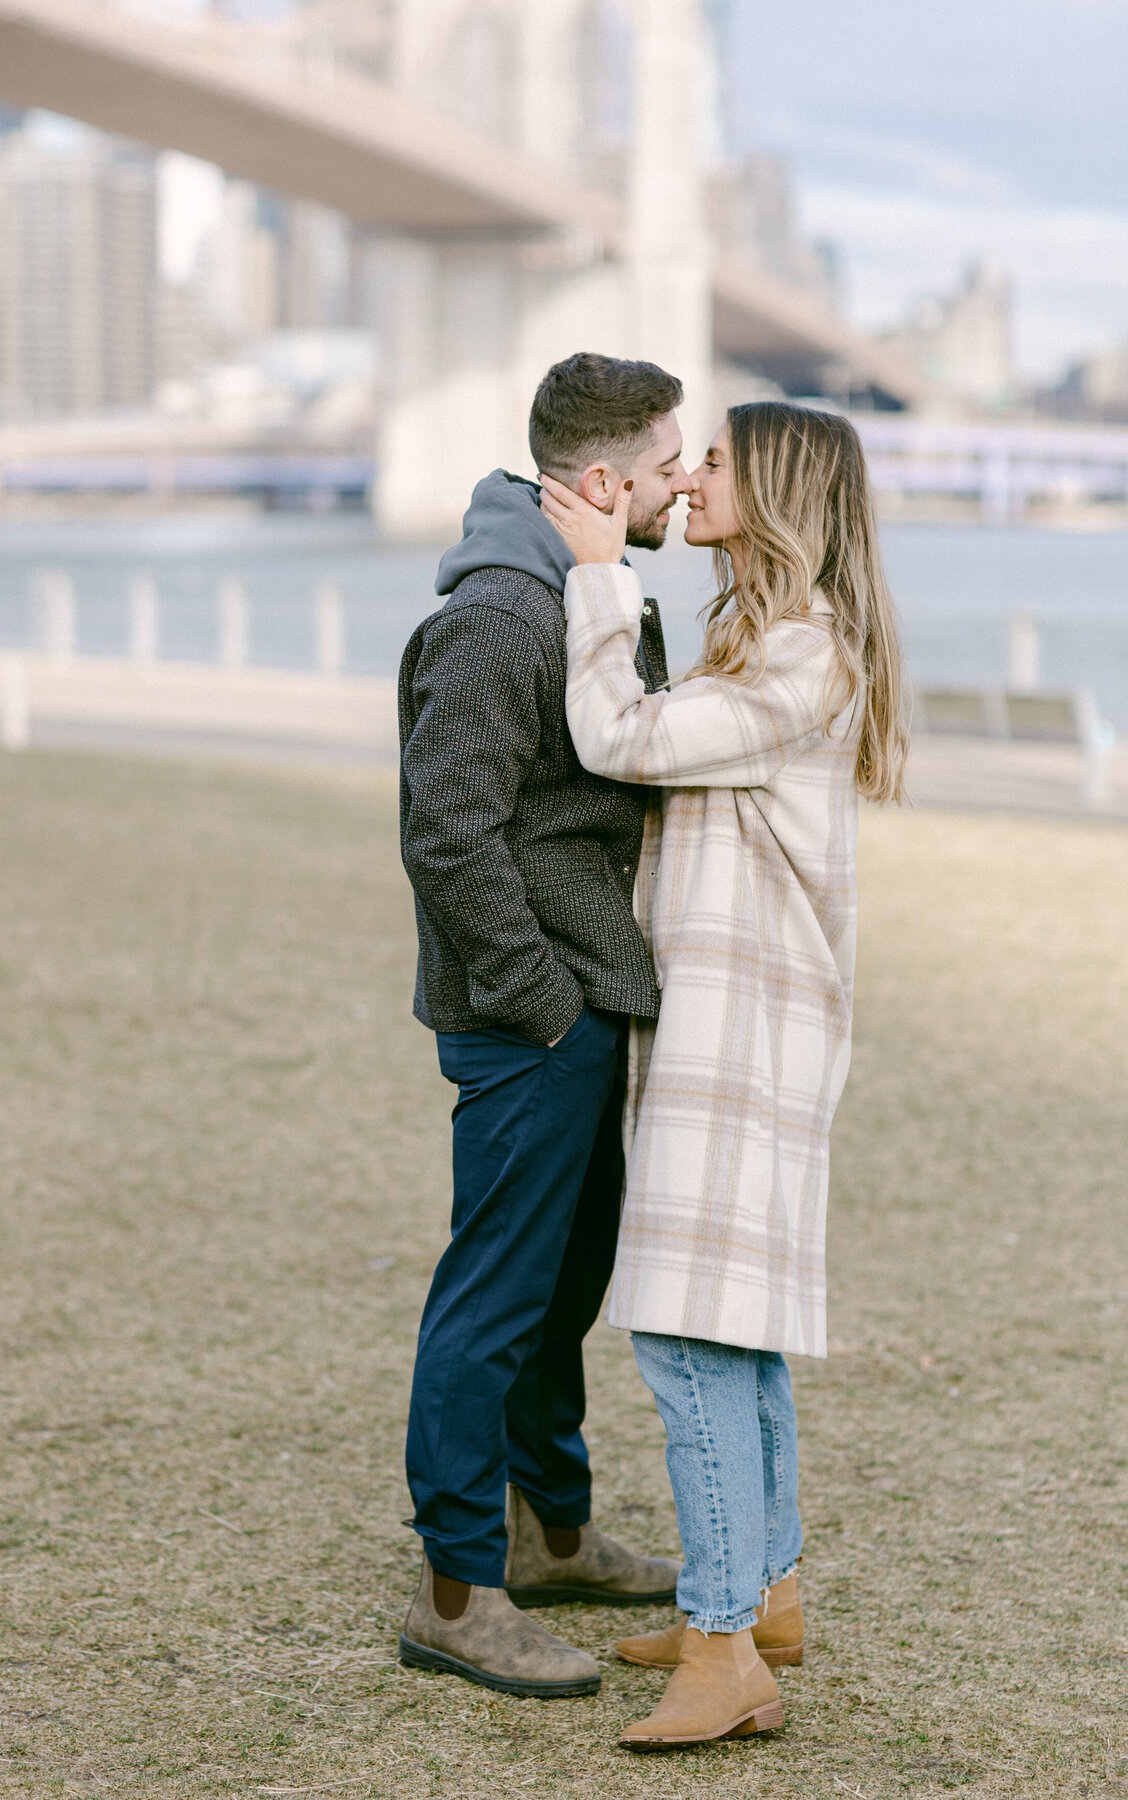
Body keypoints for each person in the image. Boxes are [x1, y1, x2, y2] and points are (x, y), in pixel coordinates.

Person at [541, 400, 908, 1748]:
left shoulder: (801, 659)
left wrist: (593, 575)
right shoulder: (762, 641)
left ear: (784, 495)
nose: (686, 477)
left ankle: (720, 1641)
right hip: (730, 1028)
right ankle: (767, 1597)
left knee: (684, 1334)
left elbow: (620, 742)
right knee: (734, 1330)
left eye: (715, 463)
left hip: (745, 1037)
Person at [396, 352, 696, 1699]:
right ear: (598, 481)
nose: (681, 483)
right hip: (536, 1015)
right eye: (665, 465)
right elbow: (446, 836)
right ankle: (459, 1593)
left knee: (562, 1294)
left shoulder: (599, 598)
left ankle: (552, 1530)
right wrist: (546, 999)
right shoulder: (502, 617)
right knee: (496, 1299)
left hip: (587, 1000)